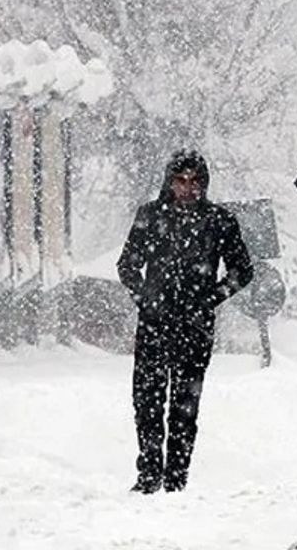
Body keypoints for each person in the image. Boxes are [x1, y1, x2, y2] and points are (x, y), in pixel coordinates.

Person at [117, 150, 255, 494]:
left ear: (204, 183)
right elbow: (127, 265)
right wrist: (144, 298)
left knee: (184, 404)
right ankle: (149, 472)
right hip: (154, 322)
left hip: (195, 325)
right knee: (147, 400)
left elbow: (243, 270)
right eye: (181, 180)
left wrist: (211, 298)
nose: (188, 187)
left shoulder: (219, 220)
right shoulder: (150, 215)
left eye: (195, 181)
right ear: (169, 181)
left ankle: (177, 476)